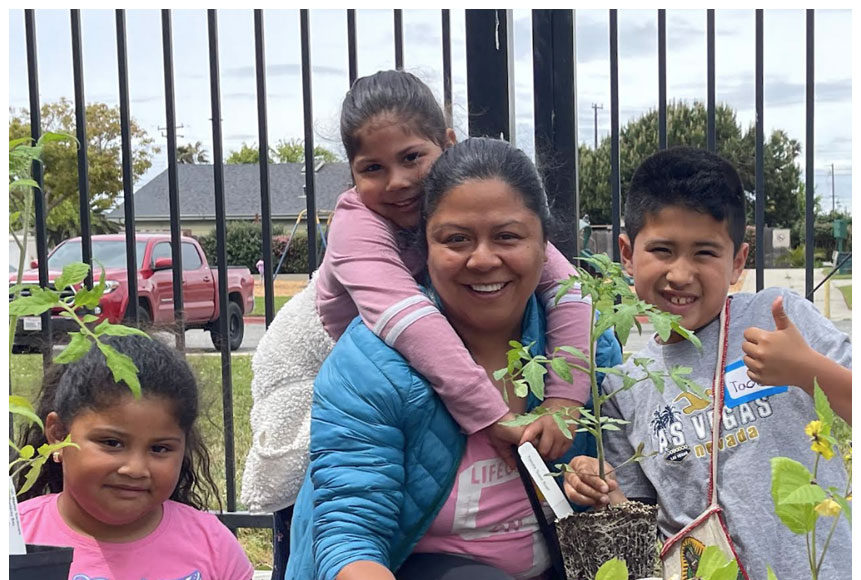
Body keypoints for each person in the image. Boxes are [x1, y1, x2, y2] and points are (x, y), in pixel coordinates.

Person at [243, 70, 596, 517]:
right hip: (312, 364)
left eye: (412, 157)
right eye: (372, 168)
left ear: (447, 144)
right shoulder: (357, 225)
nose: (397, 181)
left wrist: (564, 401)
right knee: (323, 499)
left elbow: (569, 293)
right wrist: (491, 414)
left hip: (392, 351)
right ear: (351, 174)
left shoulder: (472, 205)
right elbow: (411, 323)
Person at [286, 137, 621, 580]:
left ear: (545, 245)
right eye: (456, 239)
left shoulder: (586, 349)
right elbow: (350, 533)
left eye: (507, 236)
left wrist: (598, 484)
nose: (483, 260)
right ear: (424, 246)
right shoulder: (370, 364)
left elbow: (632, 488)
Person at [562, 147, 851, 580]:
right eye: (662, 249)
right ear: (626, 254)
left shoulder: (777, 316)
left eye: (704, 253)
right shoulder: (625, 385)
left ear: (737, 261)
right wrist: (598, 483)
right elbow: (638, 514)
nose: (680, 274)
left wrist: (807, 369)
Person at [16, 335, 254, 580]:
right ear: (58, 435)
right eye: (111, 443)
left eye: (159, 449)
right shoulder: (15, 537)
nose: (135, 468)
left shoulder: (213, 546)